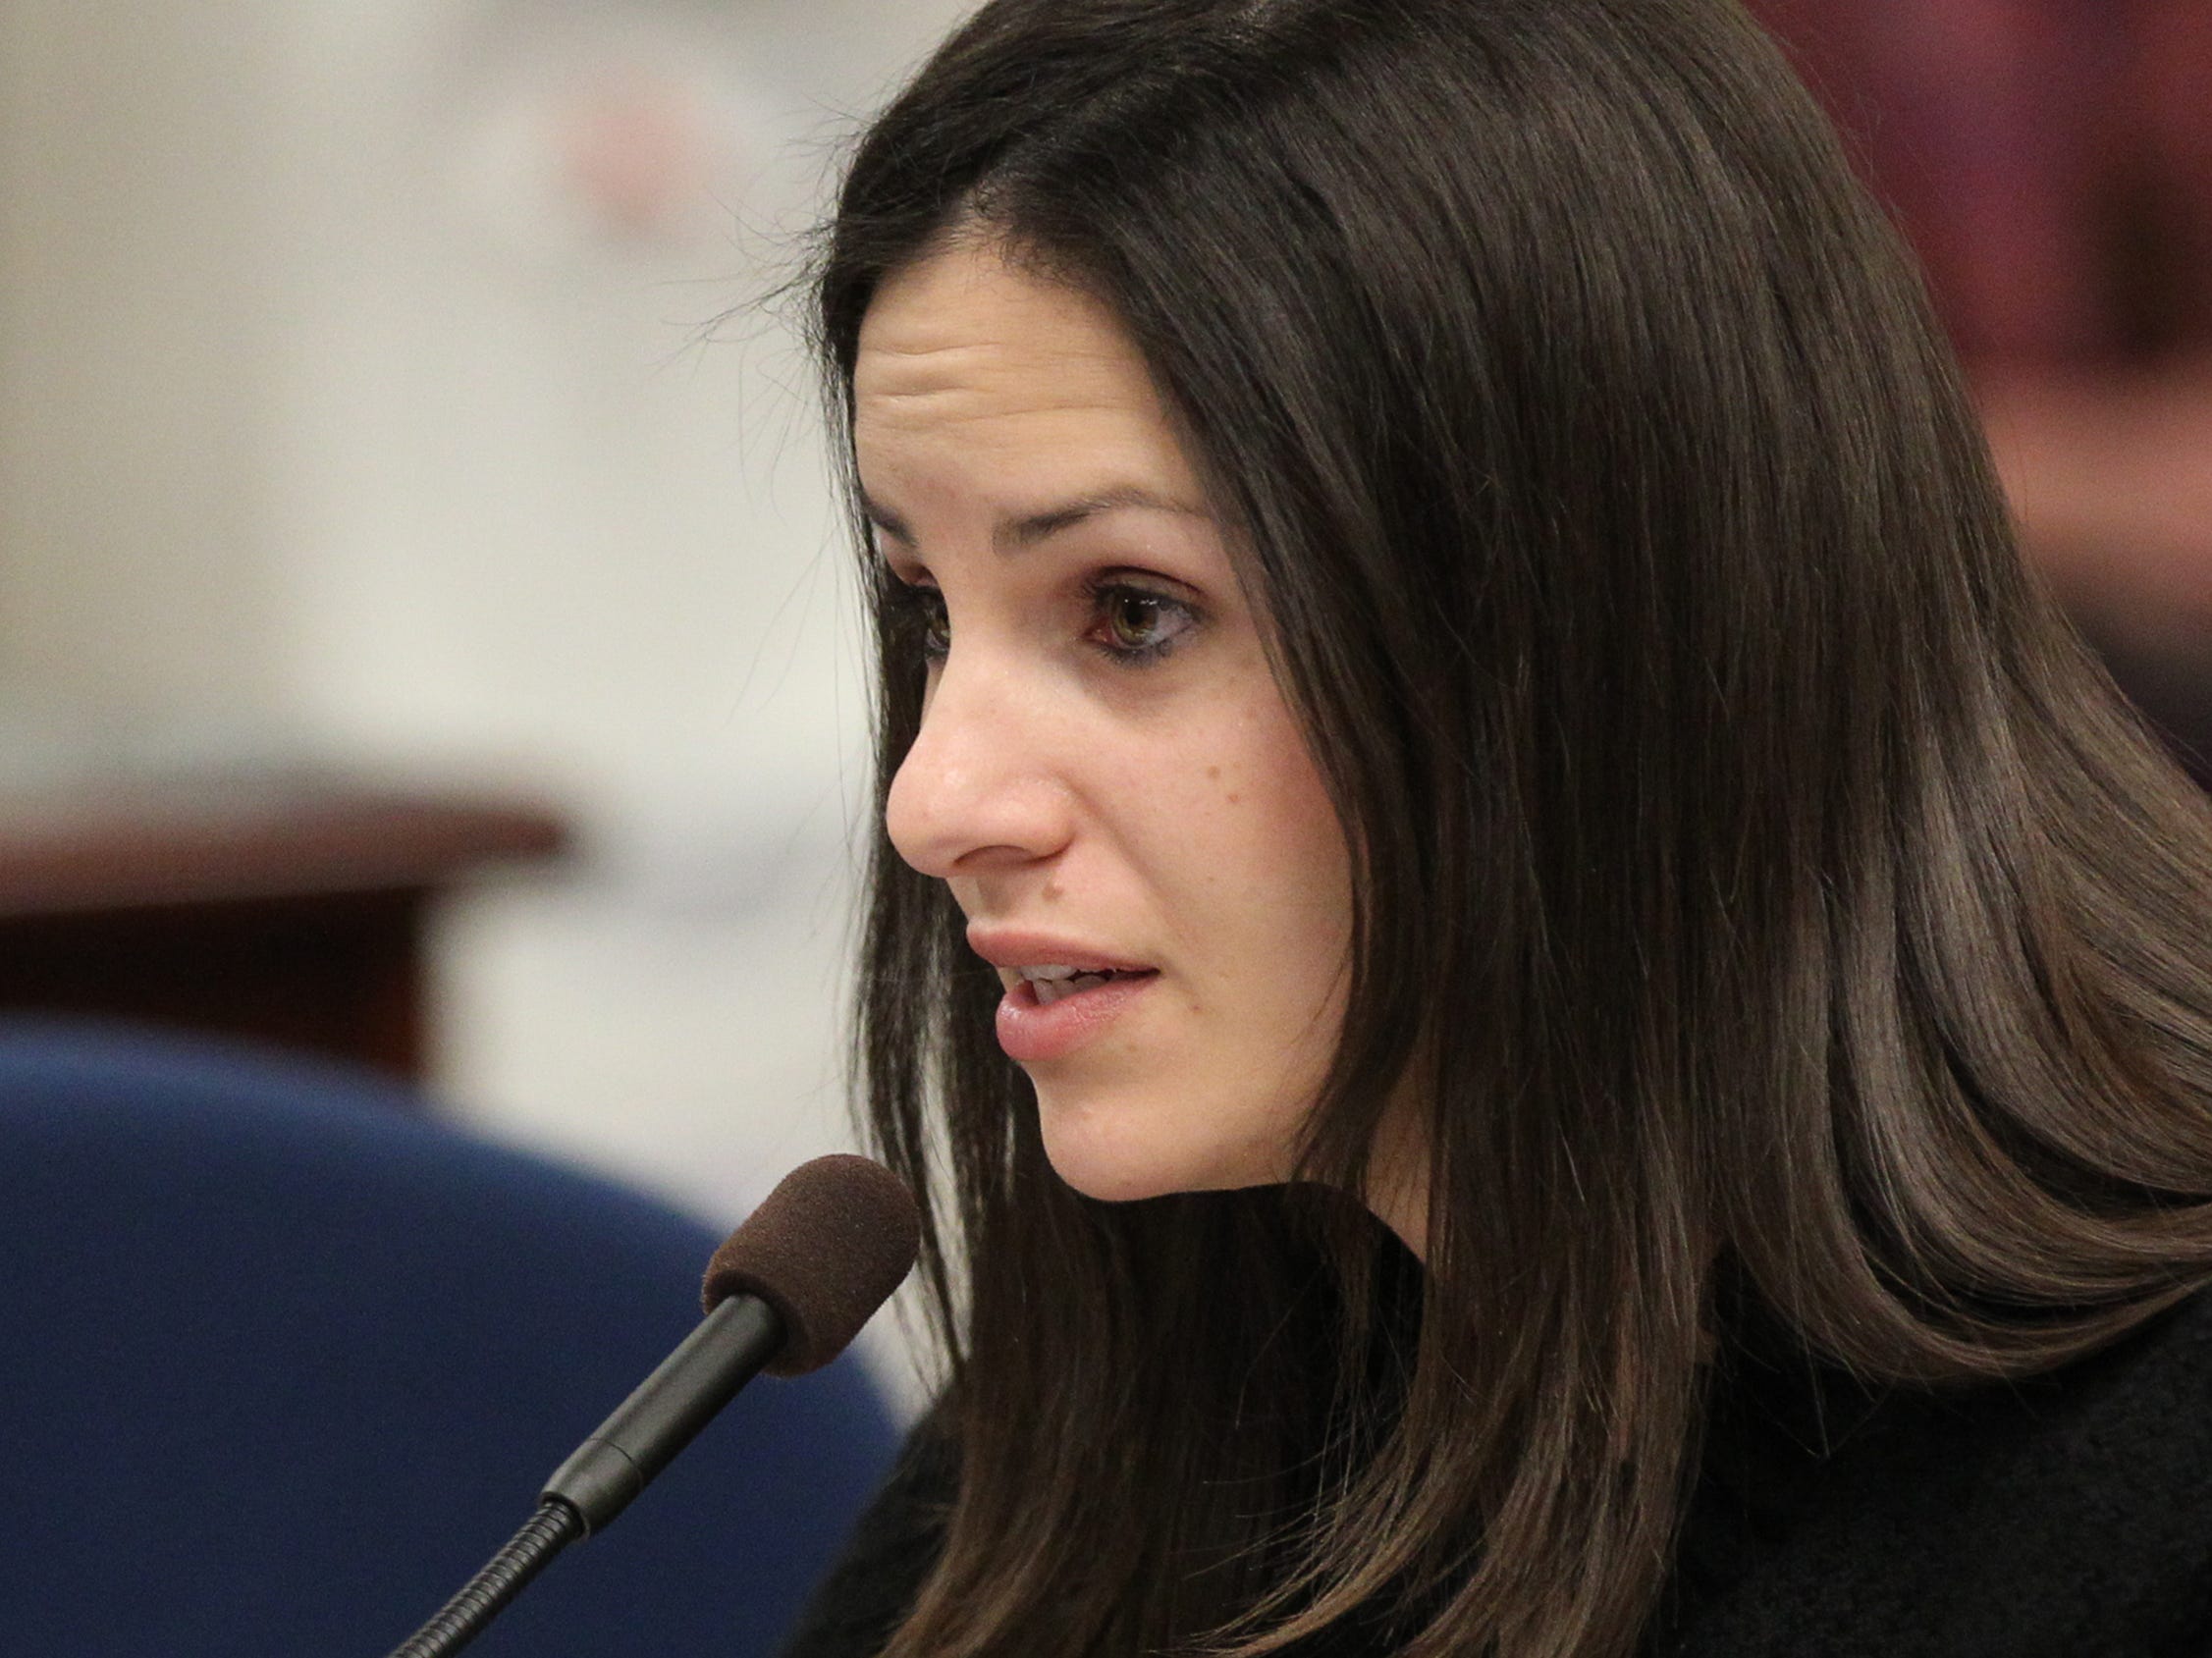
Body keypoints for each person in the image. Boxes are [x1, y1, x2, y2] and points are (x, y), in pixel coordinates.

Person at [777, 1, 2212, 1653]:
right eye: (931, 611)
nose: (934, 801)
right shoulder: (1157, 1403)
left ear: (1594, 624)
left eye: (1133, 612)